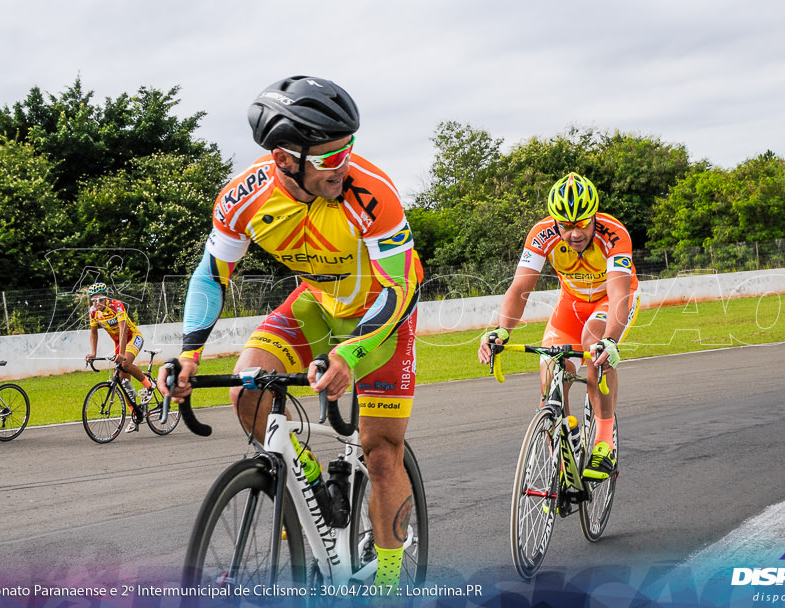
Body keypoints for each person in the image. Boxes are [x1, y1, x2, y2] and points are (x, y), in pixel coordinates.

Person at [159, 75, 421, 590]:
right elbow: (212, 274)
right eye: (328, 158)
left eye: (348, 150)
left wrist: (354, 351)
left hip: (381, 315)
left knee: (382, 453)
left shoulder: (371, 193)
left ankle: (390, 585)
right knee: (246, 388)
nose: (342, 166)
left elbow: (401, 285)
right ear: (284, 159)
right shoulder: (243, 198)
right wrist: (189, 355)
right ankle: (309, 480)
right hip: (315, 307)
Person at [478, 172, 639, 480]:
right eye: (566, 226)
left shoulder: (614, 233)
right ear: (556, 223)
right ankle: (563, 443)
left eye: (582, 223)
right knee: (552, 367)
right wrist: (501, 330)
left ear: (594, 218)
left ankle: (604, 441)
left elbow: (620, 293)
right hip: (572, 303)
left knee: (595, 343)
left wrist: (611, 341)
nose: (574, 233)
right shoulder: (541, 234)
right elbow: (519, 288)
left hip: (611, 301)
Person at [84, 282, 153, 432]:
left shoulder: (117, 306)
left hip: (132, 336)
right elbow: (93, 333)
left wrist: (121, 354)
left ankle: (149, 386)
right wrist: (93, 353)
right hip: (118, 342)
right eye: (94, 300)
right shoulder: (93, 312)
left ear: (106, 297)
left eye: (100, 299)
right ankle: (135, 415)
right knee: (123, 381)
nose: (97, 303)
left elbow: (123, 329)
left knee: (126, 363)